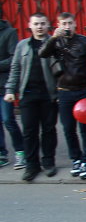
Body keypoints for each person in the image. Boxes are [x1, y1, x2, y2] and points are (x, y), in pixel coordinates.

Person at [39, 13, 86, 178]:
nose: (67, 26)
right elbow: (42, 54)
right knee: (68, 128)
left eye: (70, 23)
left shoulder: (85, 41)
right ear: (58, 24)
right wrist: (53, 39)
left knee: (85, 128)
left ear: (75, 23)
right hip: (63, 91)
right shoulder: (55, 42)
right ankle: (76, 158)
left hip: (83, 90)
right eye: (63, 23)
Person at [4, 13, 58, 181]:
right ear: (30, 25)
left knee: (48, 130)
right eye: (36, 23)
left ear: (48, 25)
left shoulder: (54, 44)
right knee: (29, 131)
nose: (39, 26)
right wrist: (10, 89)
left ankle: (48, 162)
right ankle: (32, 165)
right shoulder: (23, 46)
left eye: (42, 23)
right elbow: (15, 69)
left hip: (49, 95)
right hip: (28, 95)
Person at [0, 12, 25, 169]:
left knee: (8, 119)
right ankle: (2, 154)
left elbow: (13, 59)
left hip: (4, 85)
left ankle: (21, 152)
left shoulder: (9, 33)